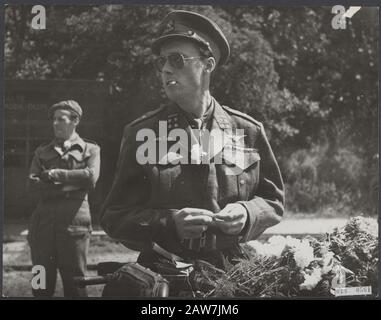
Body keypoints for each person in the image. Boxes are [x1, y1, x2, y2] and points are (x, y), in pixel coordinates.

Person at [100, 10, 284, 272]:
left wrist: (246, 212)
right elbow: (114, 216)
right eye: (161, 61)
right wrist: (169, 223)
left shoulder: (246, 130)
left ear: (207, 65)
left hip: (233, 274)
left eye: (176, 59)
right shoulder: (143, 133)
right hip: (164, 275)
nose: (165, 69)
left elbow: (272, 200)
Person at [28, 100, 100, 297]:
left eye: (61, 119)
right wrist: (72, 187)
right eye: (53, 119)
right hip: (42, 225)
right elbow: (32, 185)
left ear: (75, 120)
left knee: (76, 282)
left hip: (74, 225)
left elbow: (91, 178)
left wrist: (54, 175)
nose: (55, 123)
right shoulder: (42, 151)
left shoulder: (90, 149)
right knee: (39, 278)